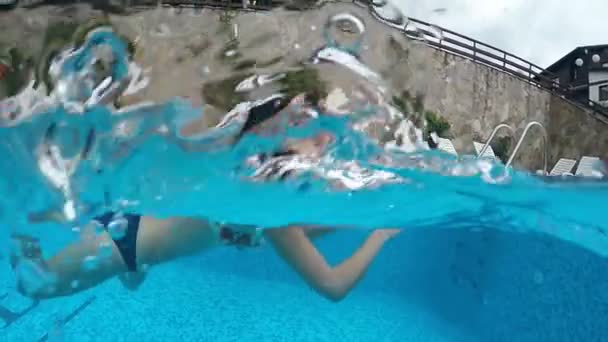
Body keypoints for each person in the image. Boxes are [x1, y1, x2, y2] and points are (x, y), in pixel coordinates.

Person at [11, 93, 402, 302]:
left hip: (137, 227)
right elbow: (332, 286)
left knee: (130, 280)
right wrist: (379, 235)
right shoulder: (262, 195)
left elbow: (291, 235)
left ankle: (119, 260)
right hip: (122, 242)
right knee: (36, 285)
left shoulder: (266, 195)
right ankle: (18, 232)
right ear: (269, 135)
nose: (325, 138)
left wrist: (351, 218)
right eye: (307, 125)